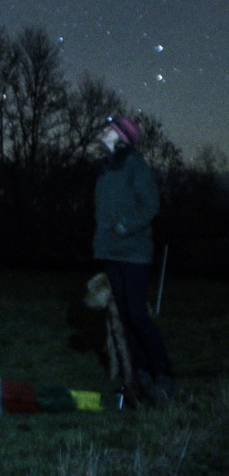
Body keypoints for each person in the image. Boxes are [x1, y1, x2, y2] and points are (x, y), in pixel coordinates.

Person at [92, 115, 174, 406]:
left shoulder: (135, 165)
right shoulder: (106, 168)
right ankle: (140, 375)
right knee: (125, 316)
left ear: (122, 137)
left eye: (109, 129)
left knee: (138, 314)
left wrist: (127, 225)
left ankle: (163, 373)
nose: (103, 131)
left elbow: (150, 204)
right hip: (112, 252)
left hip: (134, 253)